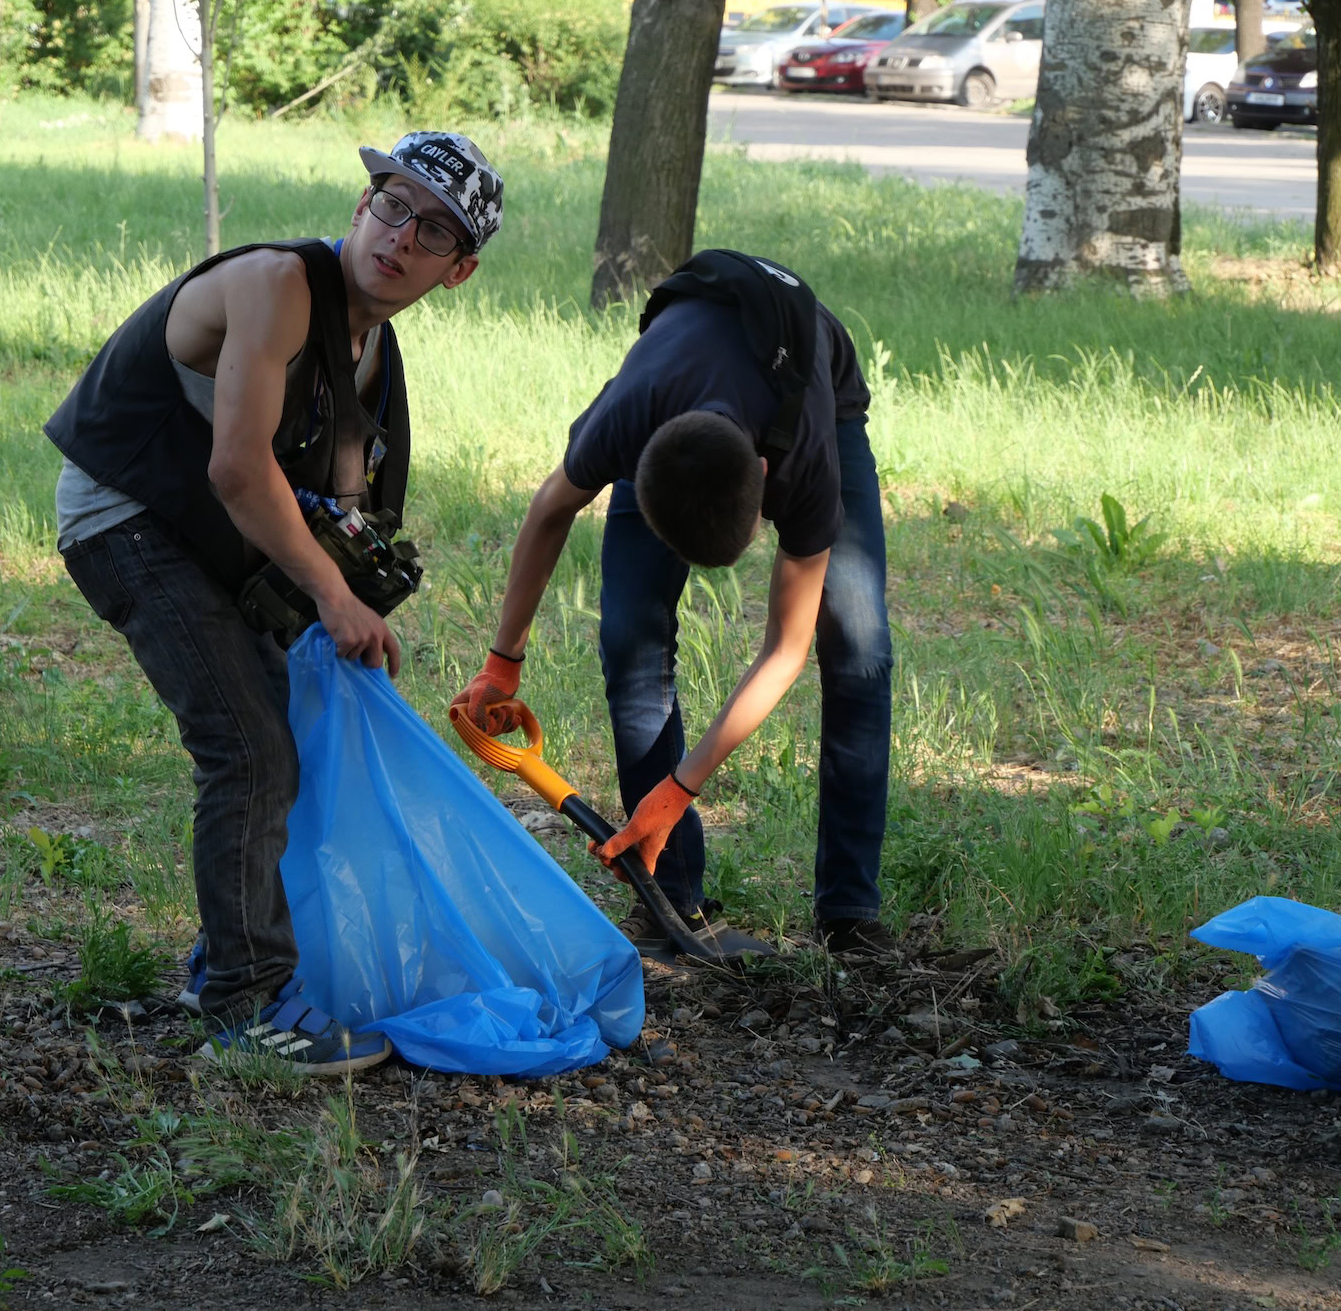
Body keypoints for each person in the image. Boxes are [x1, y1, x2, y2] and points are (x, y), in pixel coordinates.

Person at [45, 133, 501, 1074]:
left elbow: (352, 515)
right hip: (127, 513)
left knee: (287, 733)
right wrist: (331, 598)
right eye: (391, 204)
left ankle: (226, 958)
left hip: (211, 538)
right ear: (358, 205)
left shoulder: (374, 356)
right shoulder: (278, 286)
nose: (400, 237)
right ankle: (245, 1009)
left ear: (458, 272)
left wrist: (347, 607)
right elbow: (239, 470)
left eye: (433, 232)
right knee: (249, 749)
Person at [451, 250, 894, 961]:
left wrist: (682, 786)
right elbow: (547, 512)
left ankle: (849, 911)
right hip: (676, 389)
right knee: (631, 636)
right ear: (637, 469)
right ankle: (671, 900)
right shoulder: (627, 419)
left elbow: (786, 649)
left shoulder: (805, 464)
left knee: (858, 645)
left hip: (814, 385)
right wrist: (503, 661)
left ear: (762, 480)